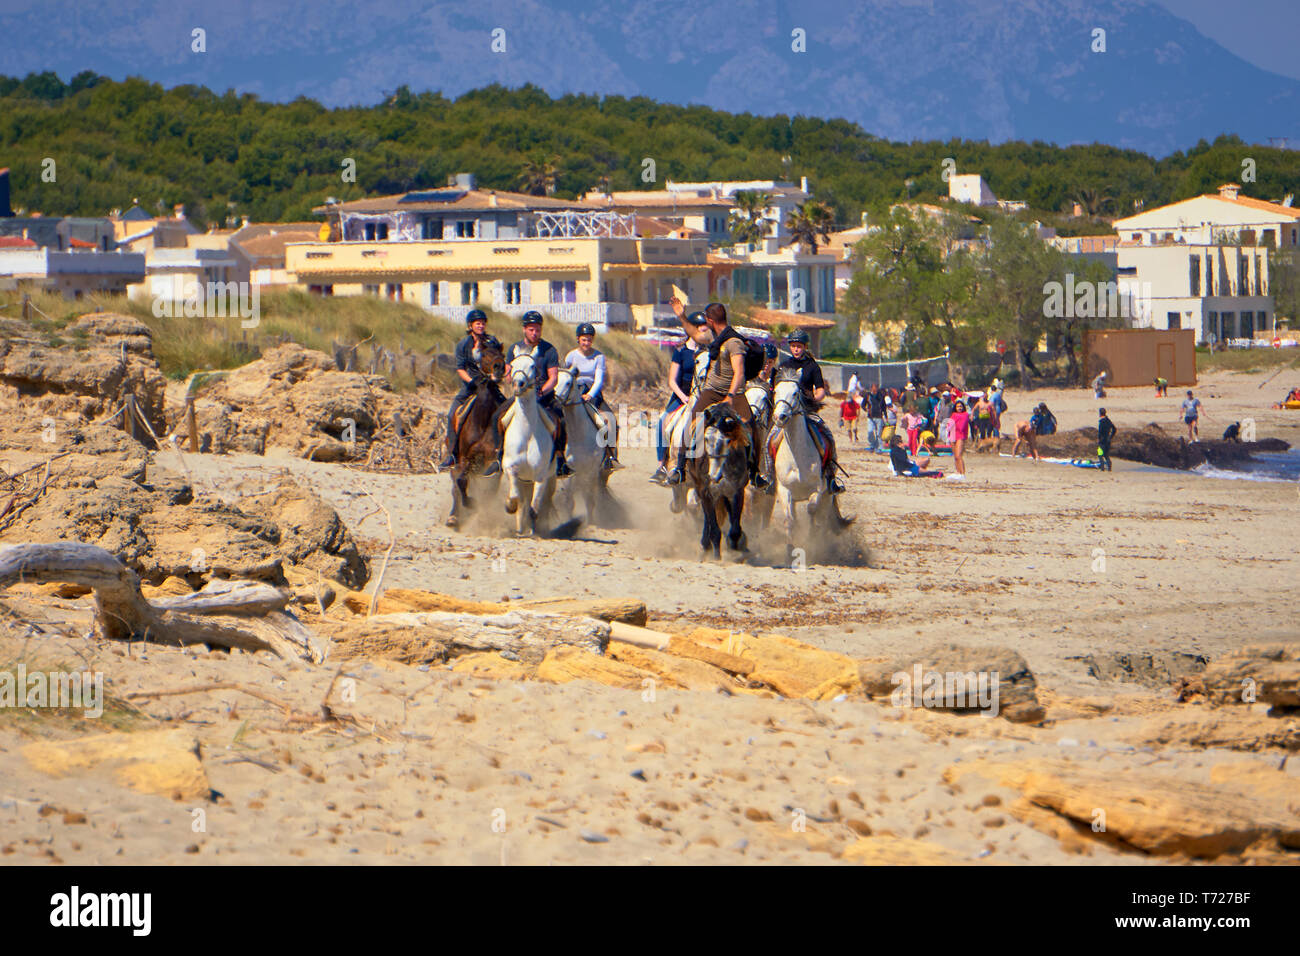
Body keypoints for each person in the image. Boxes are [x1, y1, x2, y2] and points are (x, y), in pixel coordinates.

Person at [673, 302, 767, 489]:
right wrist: (682, 316)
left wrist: (731, 396)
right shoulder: (713, 336)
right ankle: (680, 468)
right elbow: (696, 334)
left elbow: (739, 372)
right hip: (711, 391)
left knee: (750, 427)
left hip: (734, 392)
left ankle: (755, 471)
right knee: (691, 422)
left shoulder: (733, 342)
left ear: (709, 320)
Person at [498, 311, 570, 477]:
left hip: (543, 398)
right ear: (524, 329)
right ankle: (498, 456)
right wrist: (512, 380)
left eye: (537, 329)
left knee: (561, 420)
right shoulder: (514, 349)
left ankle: (560, 458)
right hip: (520, 398)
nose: (534, 333)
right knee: (497, 417)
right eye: (531, 329)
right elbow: (508, 376)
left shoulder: (549, 350)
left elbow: (553, 378)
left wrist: (541, 392)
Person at [777, 329, 845, 494]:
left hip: (806, 411)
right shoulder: (784, 366)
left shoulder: (812, 366)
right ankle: (768, 476)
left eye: (799, 346)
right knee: (770, 441)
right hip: (786, 412)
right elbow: (777, 388)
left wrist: (814, 400)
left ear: (805, 347)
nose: (796, 349)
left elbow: (820, 390)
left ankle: (830, 477)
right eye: (793, 346)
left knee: (827, 438)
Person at [441, 308, 503, 475]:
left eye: (483, 323)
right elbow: (460, 369)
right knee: (452, 414)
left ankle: (503, 452)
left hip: (490, 387)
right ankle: (453, 454)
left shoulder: (492, 341)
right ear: (470, 326)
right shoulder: (463, 345)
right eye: (478, 323)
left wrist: (498, 375)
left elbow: (499, 359)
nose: (481, 326)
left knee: (507, 410)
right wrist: (472, 381)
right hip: (470, 386)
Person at [651, 309, 709, 484]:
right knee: (662, 423)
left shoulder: (709, 352)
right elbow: (672, 380)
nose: (704, 332)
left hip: (704, 397)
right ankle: (662, 465)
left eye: (705, 329)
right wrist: (684, 397)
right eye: (701, 328)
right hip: (682, 396)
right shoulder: (681, 351)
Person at [566, 322, 618, 471]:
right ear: (578, 339)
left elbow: (599, 379)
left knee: (611, 420)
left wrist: (590, 394)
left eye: (589, 339)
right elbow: (568, 376)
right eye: (584, 340)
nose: (586, 343)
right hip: (574, 392)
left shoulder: (598, 357)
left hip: (592, 393)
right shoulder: (571, 356)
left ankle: (610, 456)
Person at [947, 399, 971, 477]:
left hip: (960, 435)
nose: (959, 408)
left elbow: (962, 425)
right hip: (953, 435)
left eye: (960, 406)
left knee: (959, 455)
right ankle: (958, 472)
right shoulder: (953, 414)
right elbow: (949, 424)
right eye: (958, 406)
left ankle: (963, 473)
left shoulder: (965, 414)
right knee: (955, 456)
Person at [865, 383, 887, 452]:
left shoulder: (881, 396)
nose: (875, 390)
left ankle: (879, 447)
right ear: (871, 388)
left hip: (879, 416)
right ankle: (872, 445)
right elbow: (863, 405)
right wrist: (866, 410)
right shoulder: (868, 396)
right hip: (870, 417)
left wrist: (886, 416)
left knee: (878, 433)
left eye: (876, 389)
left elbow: (884, 407)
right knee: (870, 431)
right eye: (873, 389)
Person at [1097, 407, 1116, 472]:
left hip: (1102, 441)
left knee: (1100, 455)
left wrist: (1099, 439)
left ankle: (1102, 469)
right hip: (1108, 440)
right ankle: (1109, 469)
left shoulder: (1101, 421)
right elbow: (1114, 429)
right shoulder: (1108, 420)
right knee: (1106, 455)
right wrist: (1110, 437)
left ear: (1100, 413)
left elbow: (1100, 432)